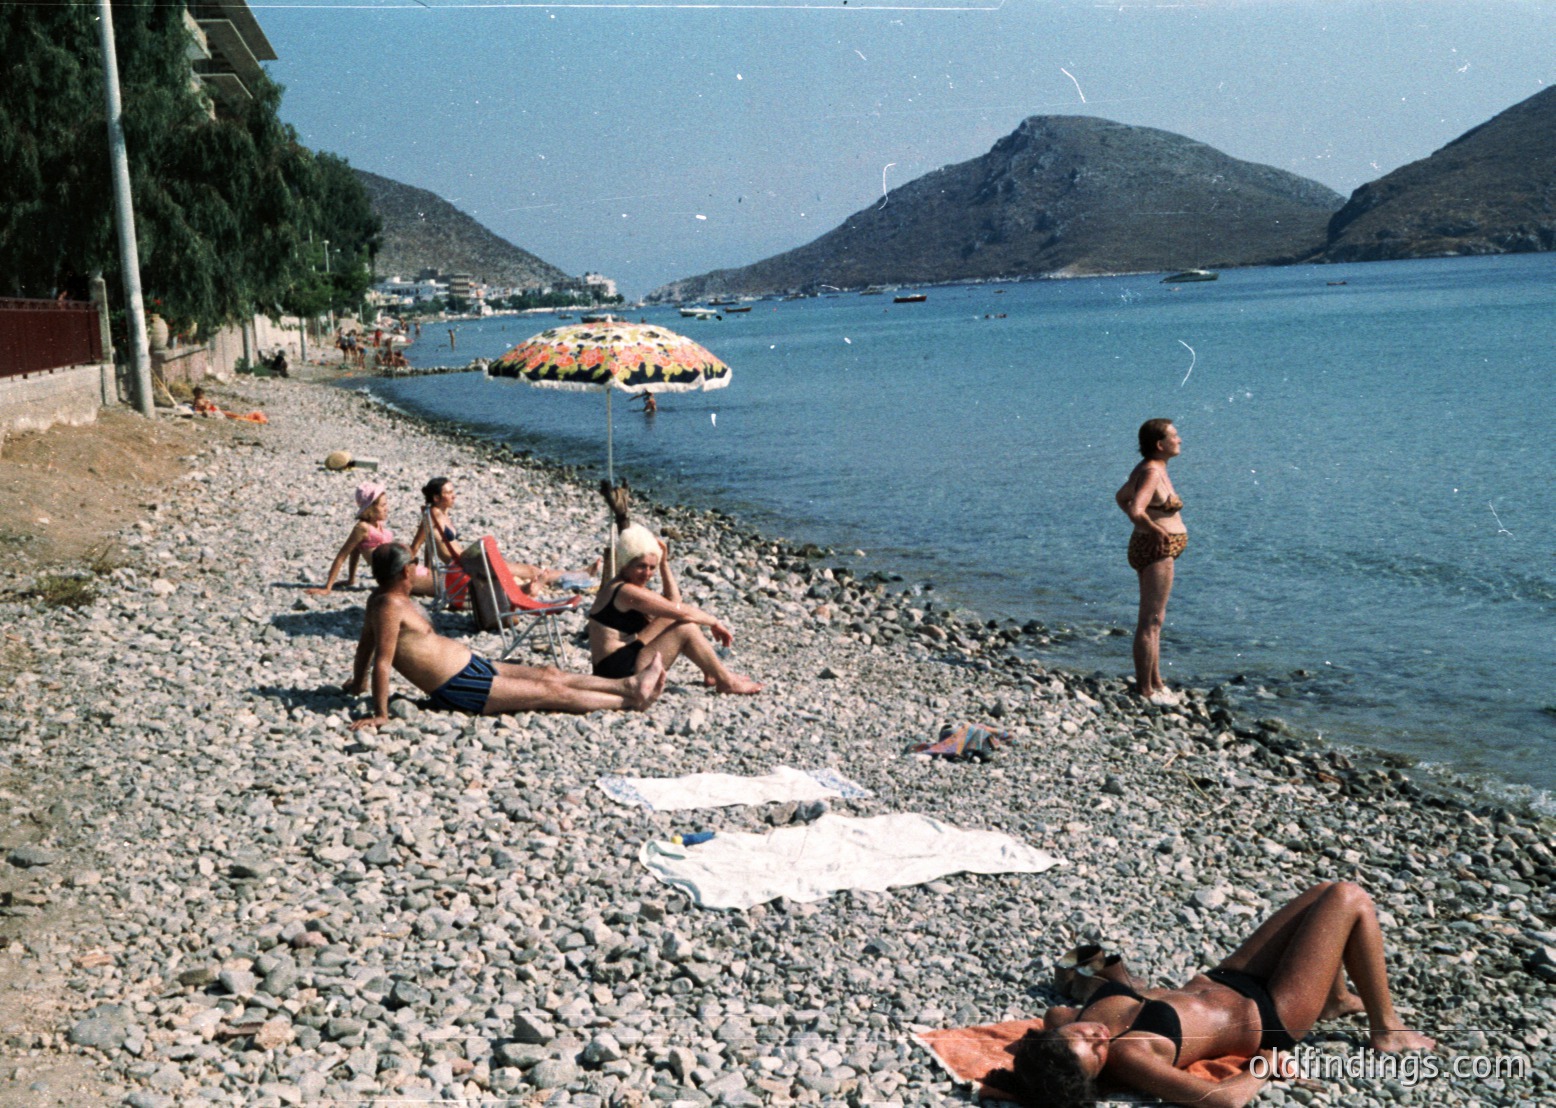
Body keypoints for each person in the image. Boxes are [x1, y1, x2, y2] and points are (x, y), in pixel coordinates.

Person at [991, 882, 1436, 1108]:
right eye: (1096, 1053)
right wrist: (1264, 1069)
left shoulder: (1067, 1026)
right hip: (1274, 1014)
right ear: (1098, 1074)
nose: (1097, 1036)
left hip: (1230, 976)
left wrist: (1038, 1066)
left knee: (1321, 895)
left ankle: (1335, 1000)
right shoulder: (1132, 1059)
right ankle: (1387, 1031)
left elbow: (1054, 1016)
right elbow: (1219, 1100)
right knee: (1348, 897)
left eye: (1081, 1036)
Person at [344, 544, 664, 728]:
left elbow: (364, 647)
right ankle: (628, 700)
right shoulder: (388, 604)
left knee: (549, 674)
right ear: (404, 572)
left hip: (472, 666)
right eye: (415, 563)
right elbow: (381, 658)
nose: (418, 568)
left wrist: (358, 683)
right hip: (461, 686)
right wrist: (381, 714)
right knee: (551, 693)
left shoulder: (386, 600)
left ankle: (630, 685)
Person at [588, 523, 762, 694]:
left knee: (675, 618)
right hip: (616, 671)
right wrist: (714, 622)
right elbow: (681, 611)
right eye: (641, 566)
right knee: (686, 627)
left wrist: (664, 563)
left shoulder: (625, 584)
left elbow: (674, 603)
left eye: (652, 567)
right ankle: (727, 682)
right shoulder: (626, 591)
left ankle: (711, 671)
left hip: (621, 658)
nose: (647, 573)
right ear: (625, 564)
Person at [409, 476, 595, 598]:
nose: (454, 496)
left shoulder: (439, 514)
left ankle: (573, 575)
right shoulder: (431, 517)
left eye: (452, 491)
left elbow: (430, 545)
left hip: (467, 560)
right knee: (529, 570)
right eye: (448, 493)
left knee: (521, 571)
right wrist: (413, 569)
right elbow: (417, 545)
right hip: (466, 564)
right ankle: (576, 574)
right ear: (436, 497)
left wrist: (428, 566)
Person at [1115, 418, 1188, 706]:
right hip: (1157, 549)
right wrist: (1155, 530)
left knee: (1156, 619)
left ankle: (1155, 681)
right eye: (1174, 436)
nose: (1180, 440)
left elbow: (1120, 497)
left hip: (1157, 547)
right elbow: (1135, 508)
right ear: (1160, 444)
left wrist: (1148, 528)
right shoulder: (1151, 472)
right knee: (1150, 620)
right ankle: (1145, 690)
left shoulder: (1154, 468)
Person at [308, 483, 434, 597]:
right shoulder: (362, 528)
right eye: (383, 505)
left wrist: (351, 579)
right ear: (371, 508)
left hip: (404, 568)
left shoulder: (377, 524)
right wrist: (327, 587)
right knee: (445, 586)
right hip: (398, 576)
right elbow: (342, 555)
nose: (387, 508)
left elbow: (356, 551)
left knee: (445, 578)